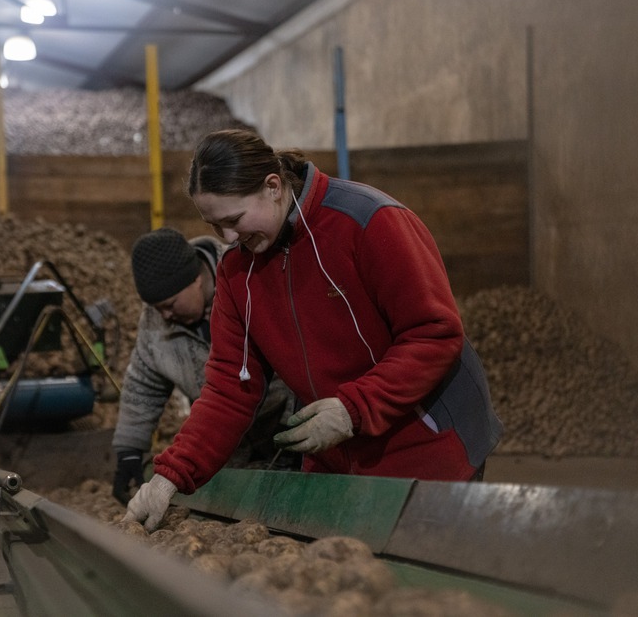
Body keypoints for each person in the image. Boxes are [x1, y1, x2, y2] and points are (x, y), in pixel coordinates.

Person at [123, 129, 503, 531]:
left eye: (234, 220)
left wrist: (353, 409)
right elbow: (230, 389)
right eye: (215, 226)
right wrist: (171, 475)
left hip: (423, 443)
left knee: (426, 561)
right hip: (336, 455)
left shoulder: (367, 221)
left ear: (273, 186)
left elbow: (434, 333)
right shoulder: (236, 273)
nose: (229, 238)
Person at [111, 226, 296, 505]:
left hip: (283, 430)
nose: (165, 316)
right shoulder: (156, 321)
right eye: (158, 308)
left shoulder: (249, 279)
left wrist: (294, 429)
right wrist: (129, 451)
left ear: (196, 279)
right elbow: (143, 383)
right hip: (222, 447)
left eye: (170, 305)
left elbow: (301, 355)